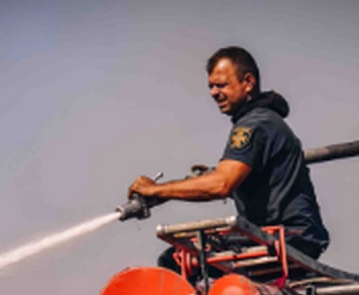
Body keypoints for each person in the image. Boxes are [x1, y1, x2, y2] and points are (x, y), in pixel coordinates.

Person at [127, 46, 330, 268]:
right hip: (298, 235)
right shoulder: (265, 120)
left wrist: (154, 189)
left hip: (289, 237)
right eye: (211, 86)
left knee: (177, 260)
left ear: (248, 82)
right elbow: (228, 179)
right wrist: (174, 191)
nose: (214, 92)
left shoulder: (254, 125)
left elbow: (222, 184)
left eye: (221, 85)